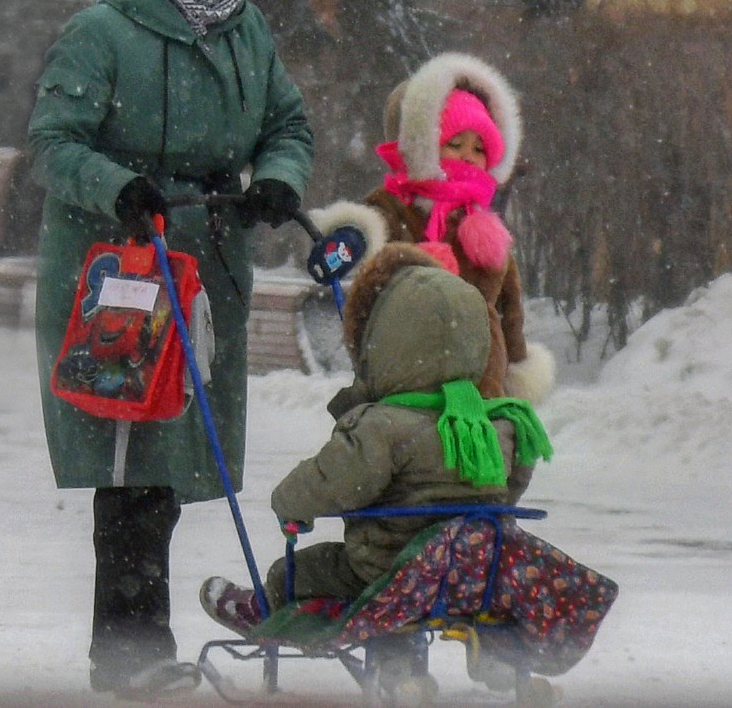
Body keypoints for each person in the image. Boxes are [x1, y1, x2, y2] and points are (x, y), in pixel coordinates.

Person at [29, 0, 313, 696]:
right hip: (120, 278)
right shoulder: (99, 34)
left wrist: (277, 179)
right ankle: (128, 650)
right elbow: (53, 142)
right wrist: (118, 187)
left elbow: (287, 123)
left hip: (208, 273)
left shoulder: (246, 30)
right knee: (132, 466)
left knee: (174, 461)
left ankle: (137, 644)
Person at [201, 242, 549, 628]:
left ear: (388, 344)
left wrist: (288, 503)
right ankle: (483, 658)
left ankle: (260, 610)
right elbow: (511, 485)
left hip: (387, 575)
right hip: (469, 577)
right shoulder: (500, 422)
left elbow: (333, 481)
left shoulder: (381, 426)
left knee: (297, 571)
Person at [327, 54, 552, 419]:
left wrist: (517, 363)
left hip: (481, 382)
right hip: (408, 377)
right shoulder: (398, 209)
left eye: (479, 148)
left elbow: (510, 307)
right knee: (414, 469)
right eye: (456, 143)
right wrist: (350, 238)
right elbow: (368, 259)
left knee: (491, 470)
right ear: (428, 146)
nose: (468, 156)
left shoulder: (487, 229)